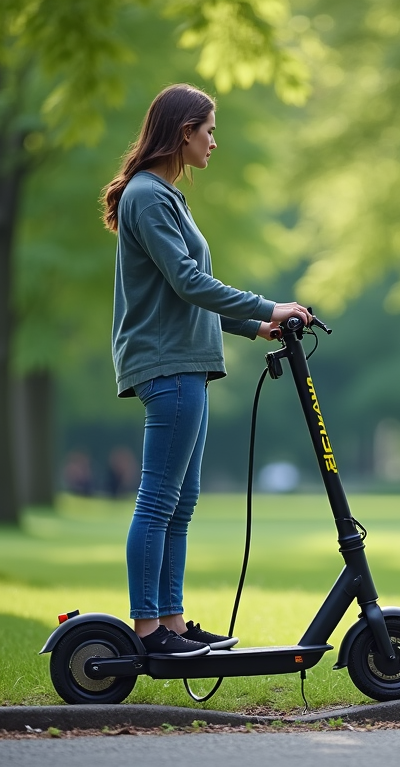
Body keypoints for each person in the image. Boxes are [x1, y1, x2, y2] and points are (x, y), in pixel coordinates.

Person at [102, 83, 311, 657]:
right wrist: (267, 306)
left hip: (186, 364)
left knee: (180, 503)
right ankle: (148, 631)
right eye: (210, 130)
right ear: (184, 131)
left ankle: (171, 624)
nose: (215, 142)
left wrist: (255, 327)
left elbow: (185, 297)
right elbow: (188, 282)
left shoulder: (166, 197)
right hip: (168, 368)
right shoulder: (148, 196)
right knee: (157, 500)